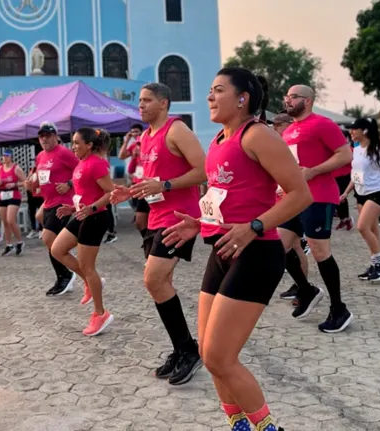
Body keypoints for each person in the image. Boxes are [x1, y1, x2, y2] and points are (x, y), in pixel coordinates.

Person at [163, 67, 303, 431]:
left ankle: (268, 428)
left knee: (221, 358)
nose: (209, 96)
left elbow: (300, 194)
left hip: (257, 255)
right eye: (210, 90)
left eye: (218, 90)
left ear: (243, 98)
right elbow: (223, 198)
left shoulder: (258, 135)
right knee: (210, 357)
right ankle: (238, 424)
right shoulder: (219, 140)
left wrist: (256, 226)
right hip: (223, 249)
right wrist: (199, 224)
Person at [110, 82, 206, 385]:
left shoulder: (176, 130)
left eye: (147, 100)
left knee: (154, 278)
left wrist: (164, 185)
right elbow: (152, 181)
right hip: (156, 215)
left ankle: (188, 350)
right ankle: (183, 348)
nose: (141, 105)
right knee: (157, 283)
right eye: (139, 100)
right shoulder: (147, 137)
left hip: (179, 218)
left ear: (164, 103)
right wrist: (132, 191)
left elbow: (203, 170)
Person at [277, 84, 353, 333]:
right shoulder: (288, 131)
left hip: (319, 196)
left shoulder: (323, 124)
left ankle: (339, 309)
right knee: (279, 247)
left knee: (320, 250)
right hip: (292, 198)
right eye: (286, 97)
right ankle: (307, 290)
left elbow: (345, 155)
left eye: (293, 97)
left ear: (307, 101)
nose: (288, 100)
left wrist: (314, 171)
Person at [51, 128, 116, 336]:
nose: (74, 147)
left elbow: (111, 192)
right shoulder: (82, 163)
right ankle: (89, 282)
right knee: (57, 249)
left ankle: (100, 314)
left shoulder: (97, 163)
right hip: (81, 214)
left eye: (78, 143)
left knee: (88, 267)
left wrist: (92, 208)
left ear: (89, 145)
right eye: (72, 142)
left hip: (96, 217)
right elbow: (85, 193)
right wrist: (73, 208)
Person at [339, 118, 380, 281]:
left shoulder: (378, 150)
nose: (351, 132)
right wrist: (346, 192)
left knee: (362, 227)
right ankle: (375, 263)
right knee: (372, 230)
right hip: (361, 193)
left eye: (354, 129)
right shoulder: (356, 150)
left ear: (364, 131)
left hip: (378, 192)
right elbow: (355, 174)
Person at [25, 122, 79, 296]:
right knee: (50, 238)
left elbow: (81, 169)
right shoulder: (40, 156)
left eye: (48, 135)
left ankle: (65, 275)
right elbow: (41, 178)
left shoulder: (63, 152)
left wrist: (69, 184)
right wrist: (32, 184)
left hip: (63, 201)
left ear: (56, 136)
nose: (44, 139)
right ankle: (67, 272)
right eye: (41, 136)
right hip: (48, 201)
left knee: (48, 237)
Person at [270, 114, 310, 303]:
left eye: (279, 124)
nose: (276, 127)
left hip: (294, 200)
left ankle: (305, 289)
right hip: (282, 199)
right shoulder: (278, 144)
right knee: (294, 247)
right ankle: (302, 286)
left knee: (282, 246)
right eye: (274, 124)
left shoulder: (293, 145)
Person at [0, 149, 26, 256]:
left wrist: (14, 184)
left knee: (10, 220)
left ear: (11, 157)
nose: (5, 158)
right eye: (3, 156)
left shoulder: (16, 168)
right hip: (3, 195)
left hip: (14, 195)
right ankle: (8, 245)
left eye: (7, 156)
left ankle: (20, 242)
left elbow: (25, 182)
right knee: (5, 222)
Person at [333, 131, 354, 231]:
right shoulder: (332, 149)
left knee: (341, 198)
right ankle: (344, 218)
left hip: (345, 176)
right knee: (336, 198)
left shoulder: (350, 150)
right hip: (334, 177)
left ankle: (346, 218)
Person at [25, 164, 44, 239]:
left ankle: (41, 229)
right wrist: (27, 184)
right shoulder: (33, 169)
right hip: (32, 194)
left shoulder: (44, 169)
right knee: (32, 211)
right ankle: (34, 229)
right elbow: (27, 180)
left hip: (41, 195)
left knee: (41, 213)